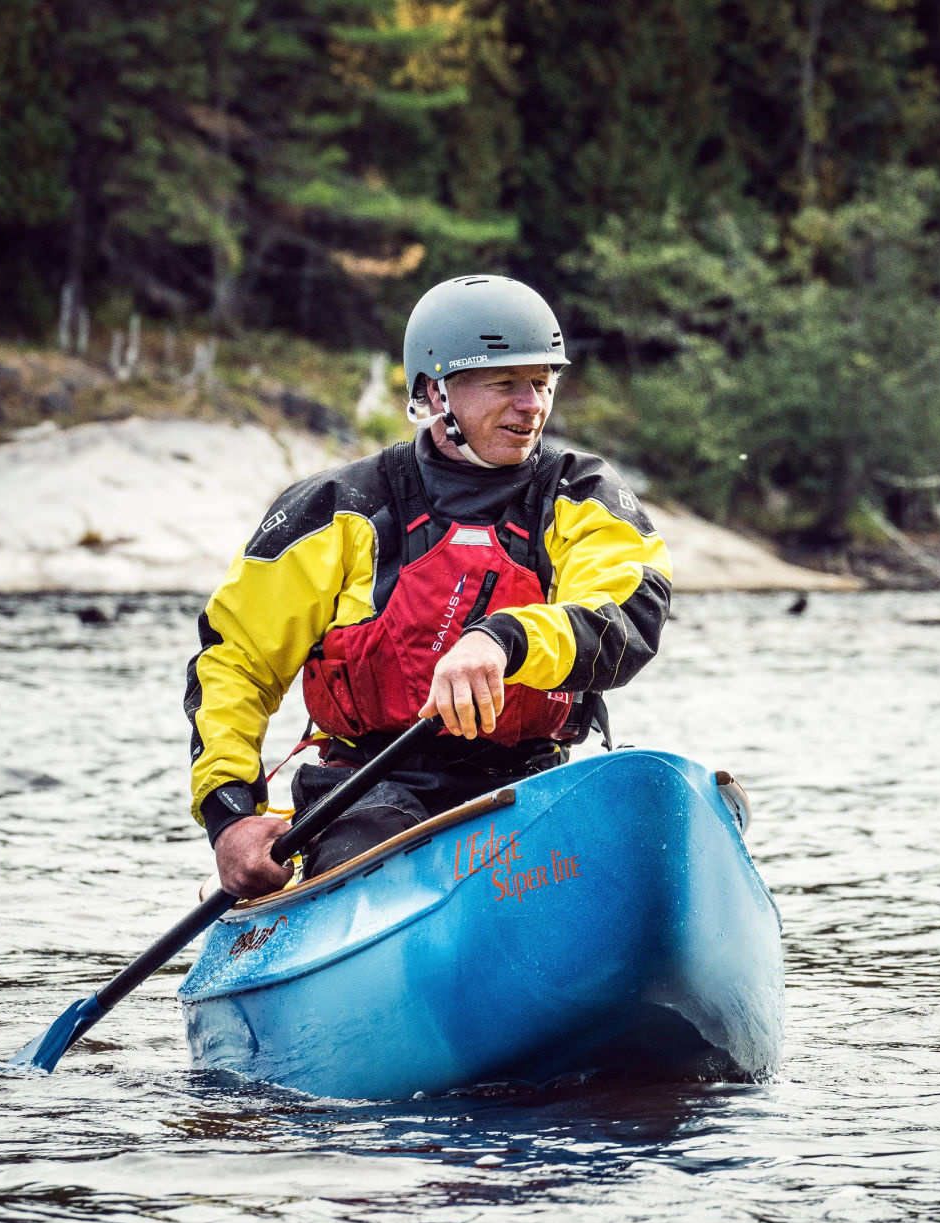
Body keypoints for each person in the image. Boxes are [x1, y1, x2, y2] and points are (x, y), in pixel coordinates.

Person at [186, 275, 672, 898]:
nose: (533, 406)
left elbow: (626, 612)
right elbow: (234, 664)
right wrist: (230, 816)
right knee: (374, 853)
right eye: (505, 384)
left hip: (529, 785)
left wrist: (503, 641)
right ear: (434, 391)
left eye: (542, 384)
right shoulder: (338, 511)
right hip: (365, 792)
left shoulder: (584, 498)